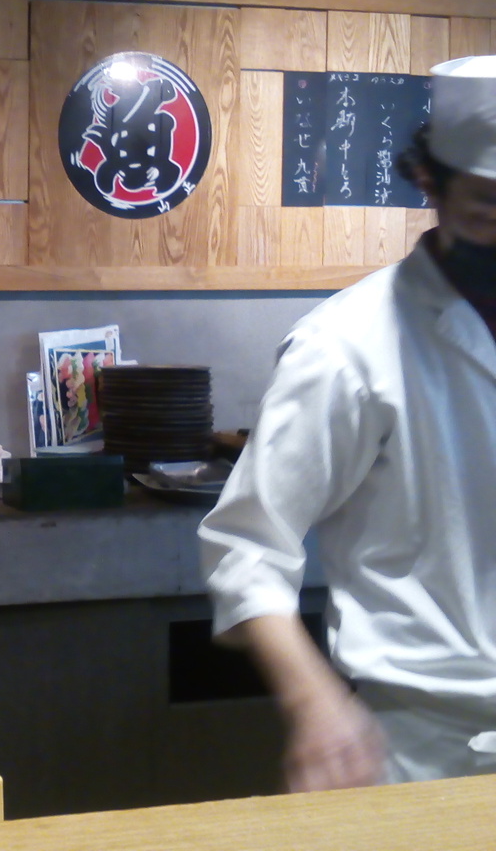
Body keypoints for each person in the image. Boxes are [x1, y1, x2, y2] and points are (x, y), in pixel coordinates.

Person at [198, 55, 496, 792]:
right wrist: (316, 702)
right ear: (428, 181)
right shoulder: (346, 347)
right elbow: (248, 547)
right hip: (427, 750)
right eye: (488, 206)